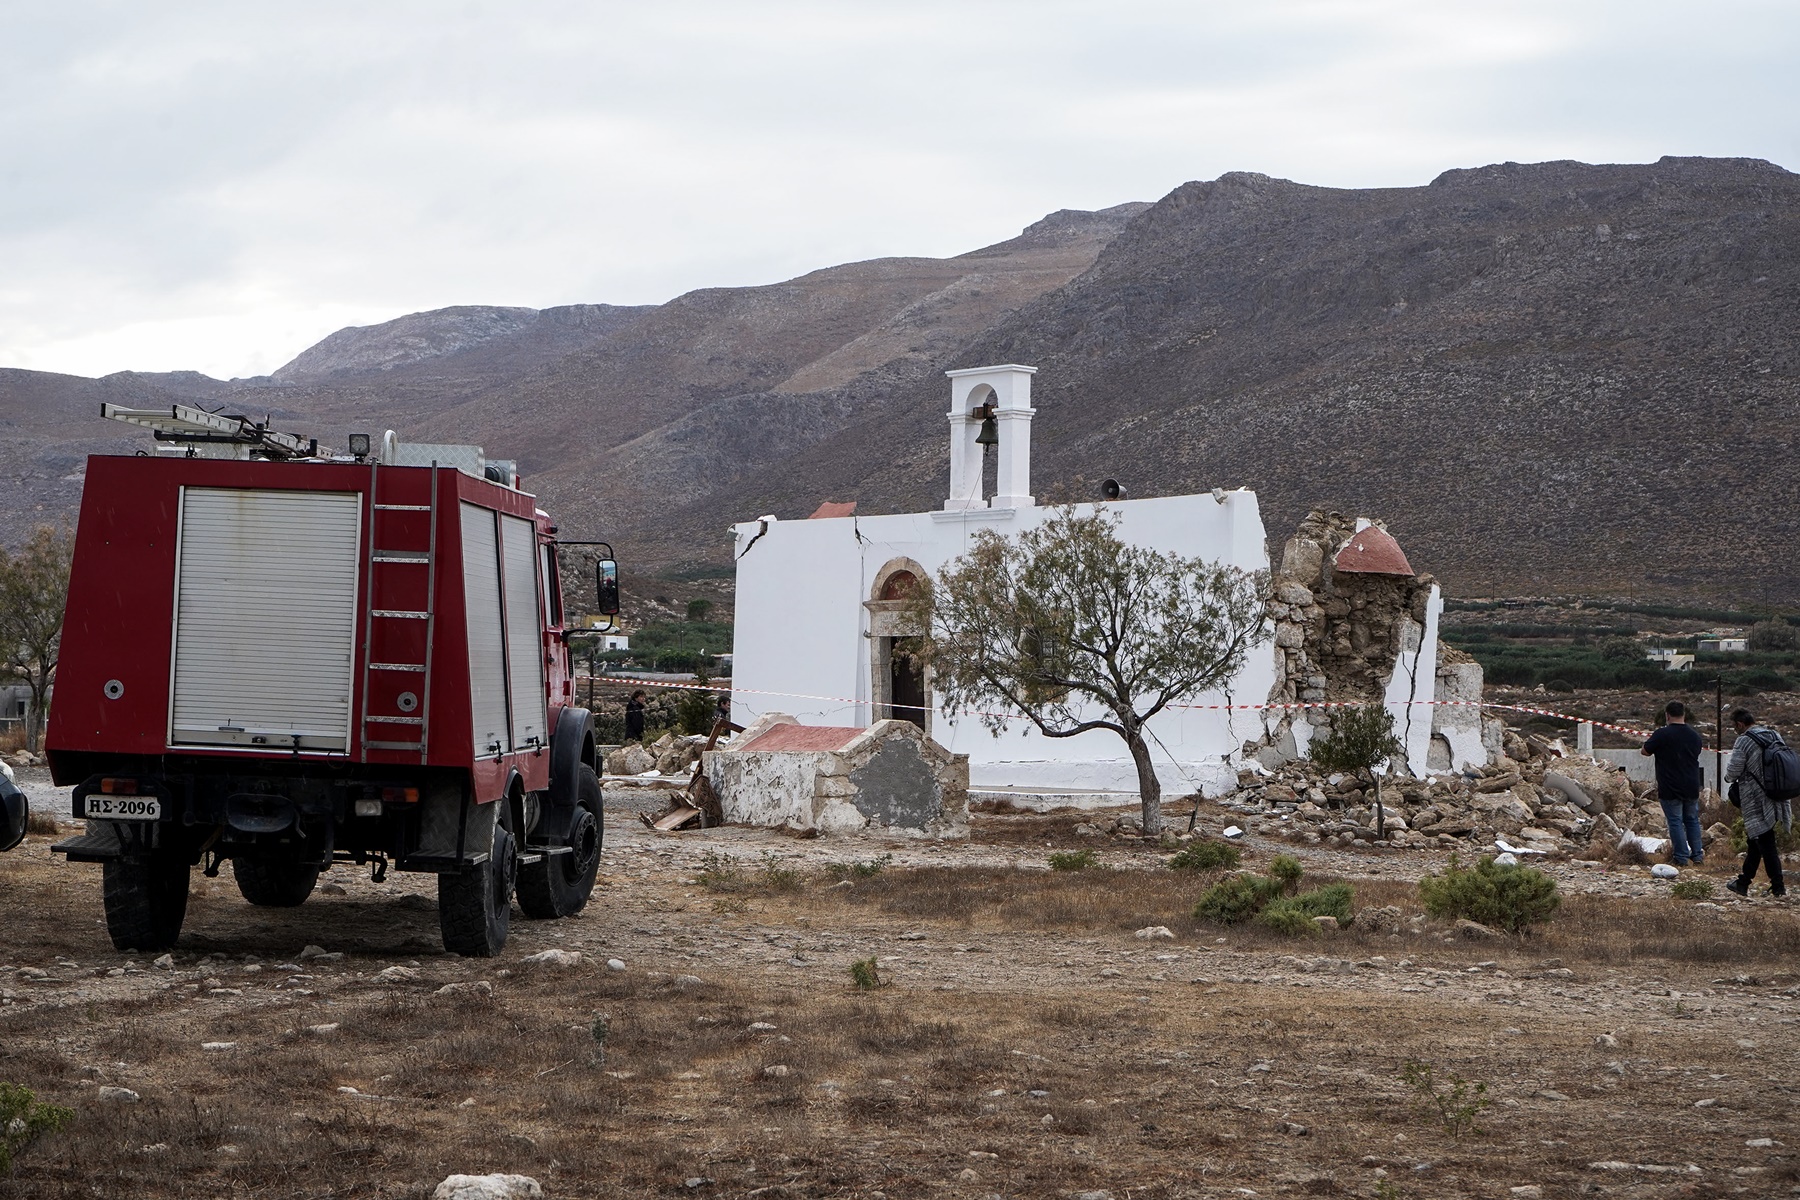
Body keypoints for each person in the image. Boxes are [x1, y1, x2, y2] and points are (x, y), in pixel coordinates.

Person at [1725, 708, 1791, 898]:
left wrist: (1728, 777)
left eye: (1735, 727)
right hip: (1777, 794)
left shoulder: (1744, 740)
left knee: (1765, 842)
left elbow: (1734, 770)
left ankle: (1778, 887)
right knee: (1756, 839)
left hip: (1756, 798)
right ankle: (1743, 882)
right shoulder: (1774, 734)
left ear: (1740, 724)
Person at [1641, 700, 1705, 866]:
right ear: (1684, 714)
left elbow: (1645, 751)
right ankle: (1698, 855)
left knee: (1675, 821)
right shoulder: (1694, 735)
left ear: (1667, 715)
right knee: (1692, 820)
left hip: (1670, 785)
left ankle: (1681, 857)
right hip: (1691, 784)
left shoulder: (1662, 734)